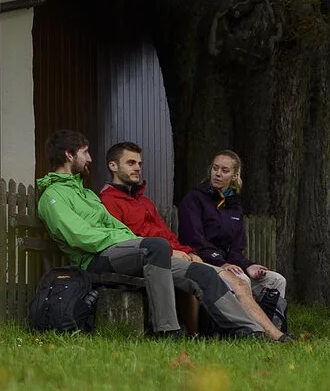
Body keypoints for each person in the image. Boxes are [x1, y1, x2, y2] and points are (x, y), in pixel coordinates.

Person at [34, 130, 277, 339]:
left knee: (201, 272)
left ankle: (248, 331)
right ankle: (168, 331)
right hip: (94, 259)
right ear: (69, 155)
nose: (89, 158)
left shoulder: (85, 194)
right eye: (85, 152)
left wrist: (129, 239)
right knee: (156, 246)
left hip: (122, 253)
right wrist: (128, 240)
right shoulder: (53, 196)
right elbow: (79, 236)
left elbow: (116, 226)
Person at [98, 141, 283, 339]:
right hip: (151, 259)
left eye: (139, 164)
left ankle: (263, 331)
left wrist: (188, 252)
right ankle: (263, 333)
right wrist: (172, 251)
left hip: (174, 255)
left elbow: (167, 234)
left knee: (248, 281)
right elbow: (126, 240)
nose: (137, 168)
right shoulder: (108, 201)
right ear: (113, 166)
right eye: (131, 163)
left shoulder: (144, 201)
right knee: (230, 281)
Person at [177, 149, 289, 331]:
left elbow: (236, 250)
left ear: (235, 175)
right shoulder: (195, 199)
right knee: (241, 278)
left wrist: (249, 265)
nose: (218, 174)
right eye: (215, 168)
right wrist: (221, 263)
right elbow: (194, 241)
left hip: (228, 265)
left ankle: (276, 327)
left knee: (276, 280)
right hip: (202, 262)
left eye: (224, 170)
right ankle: (249, 331)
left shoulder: (234, 205)